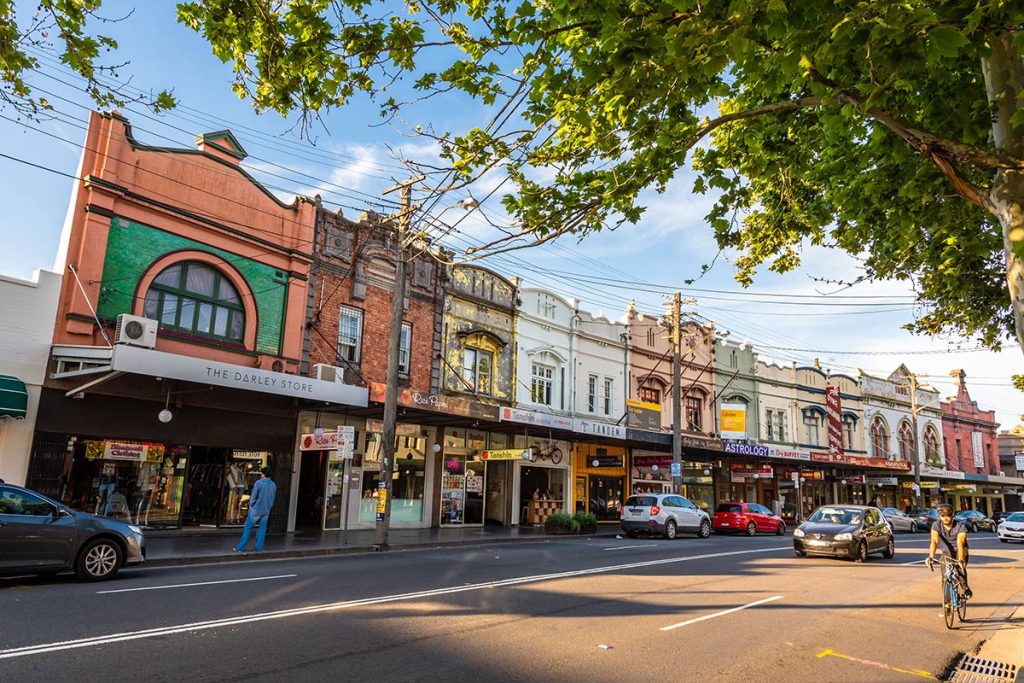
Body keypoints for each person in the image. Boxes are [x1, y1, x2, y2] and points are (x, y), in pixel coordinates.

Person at [926, 502, 972, 599]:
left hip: (960, 551)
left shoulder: (960, 526)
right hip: (946, 552)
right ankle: (947, 606)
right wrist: (931, 557)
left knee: (959, 570)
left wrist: (960, 560)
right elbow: (934, 541)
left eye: (948, 515)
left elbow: (960, 543)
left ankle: (965, 588)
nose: (945, 518)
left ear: (952, 515)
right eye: (942, 516)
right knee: (945, 577)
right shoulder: (936, 525)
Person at [234, 467, 276, 553]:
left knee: (248, 527)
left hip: (256, 509)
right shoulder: (273, 485)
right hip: (266, 510)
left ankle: (240, 547)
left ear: (263, 474)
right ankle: (258, 548)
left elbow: (253, 496)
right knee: (262, 529)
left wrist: (251, 505)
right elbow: (273, 498)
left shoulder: (259, 483)